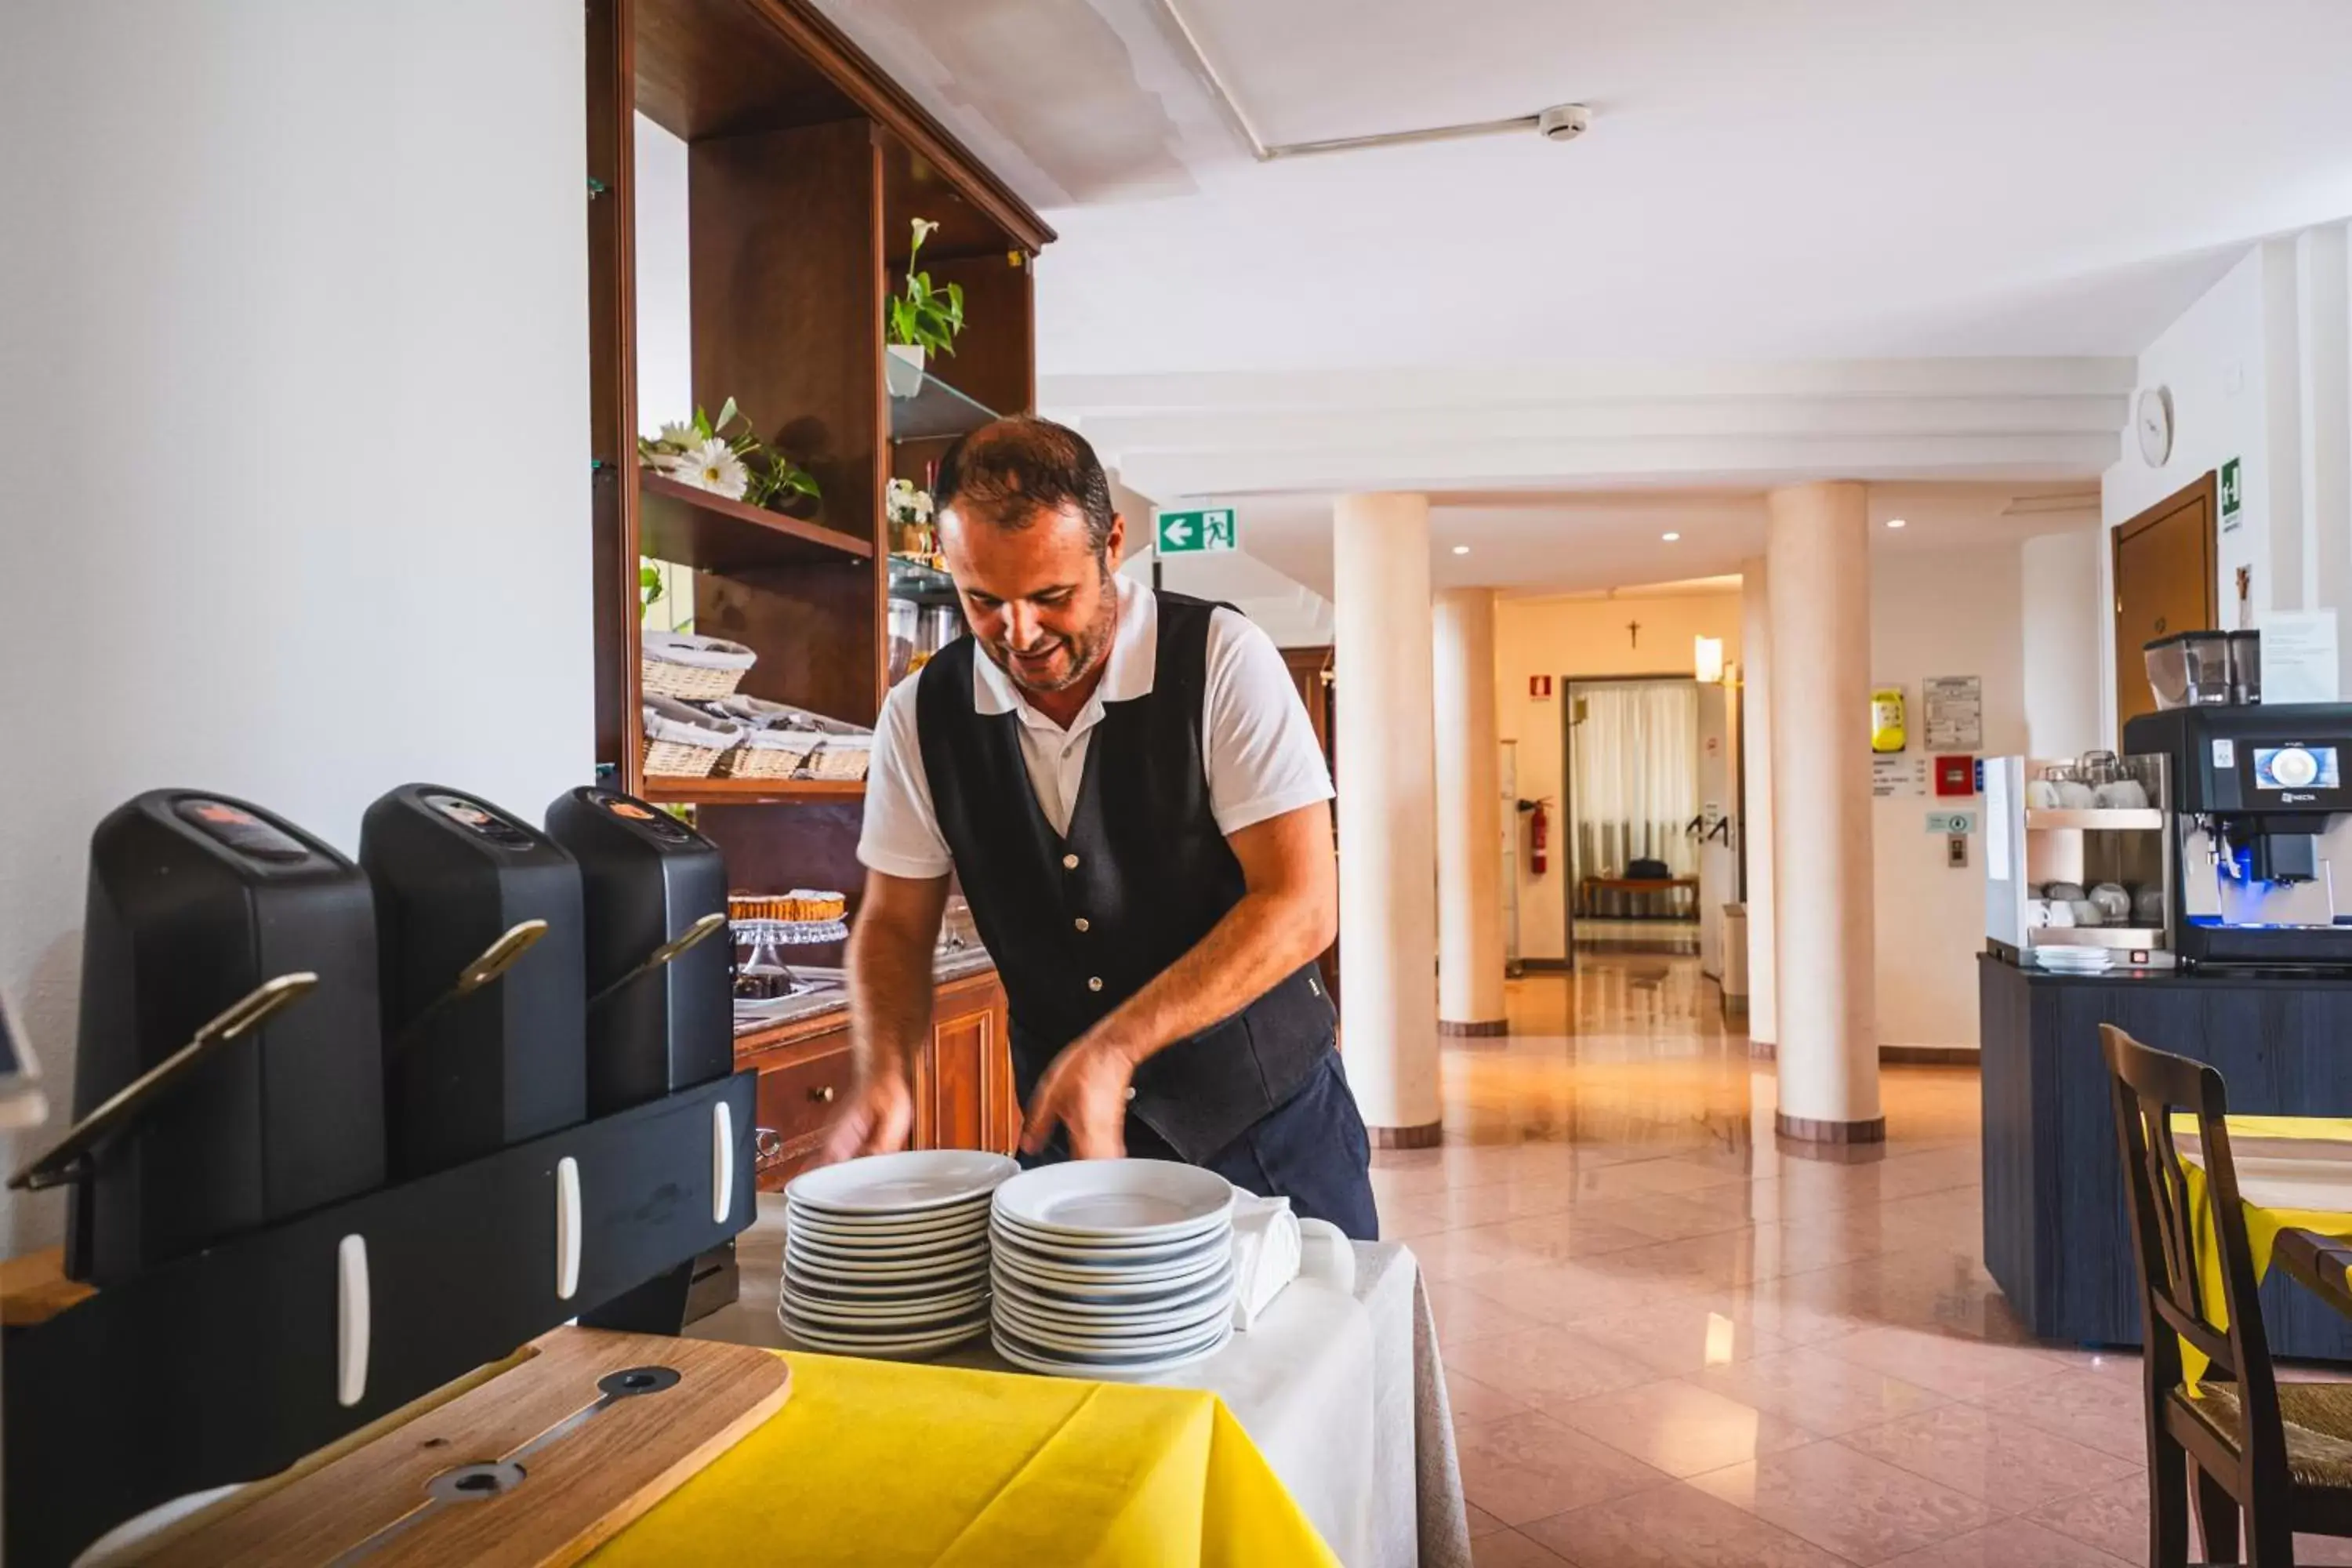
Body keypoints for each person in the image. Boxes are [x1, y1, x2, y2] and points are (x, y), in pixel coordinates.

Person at [815, 416, 1377, 1238]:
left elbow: (1301, 903)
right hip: (1068, 1144)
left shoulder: (1221, 660)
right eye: (983, 600)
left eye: (1051, 596)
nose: (1019, 634)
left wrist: (1117, 1046)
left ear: (1112, 542)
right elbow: (897, 923)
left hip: (1268, 1126)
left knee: (1320, 1352)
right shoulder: (920, 715)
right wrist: (887, 1070)